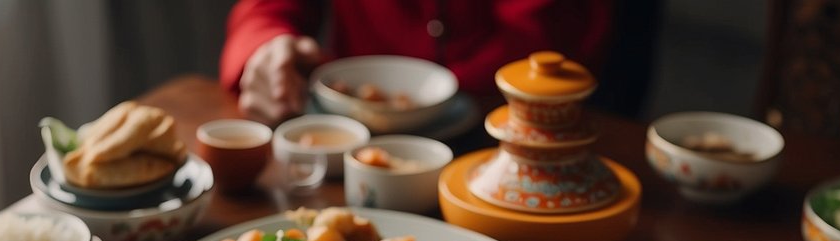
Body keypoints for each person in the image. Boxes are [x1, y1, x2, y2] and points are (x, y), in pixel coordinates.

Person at [219, 0, 624, 125]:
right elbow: (266, 10)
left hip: (507, 138)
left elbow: (546, 38)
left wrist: (419, 100)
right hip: (343, 142)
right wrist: (267, 48)